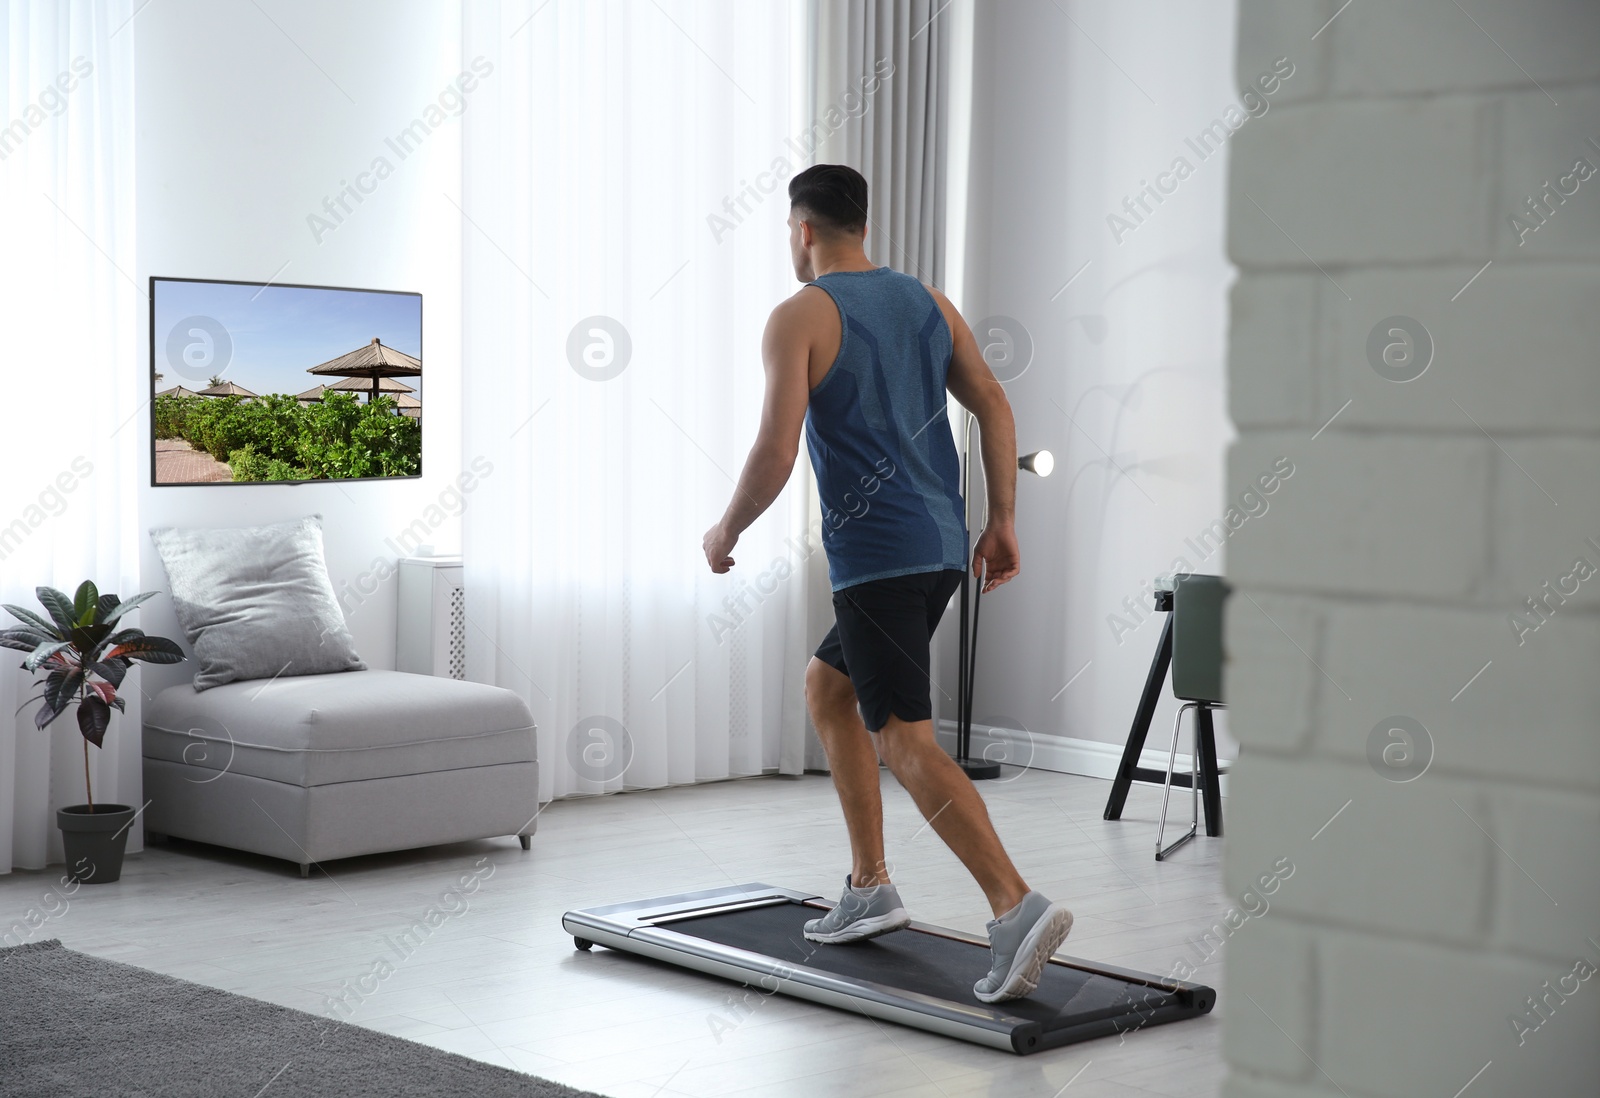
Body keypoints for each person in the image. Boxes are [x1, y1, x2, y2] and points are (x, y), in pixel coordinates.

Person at [701, 163, 1072, 1003]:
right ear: (859, 224)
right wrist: (1002, 519)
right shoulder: (928, 303)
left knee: (904, 737)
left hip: (876, 557)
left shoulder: (798, 316)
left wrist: (726, 530)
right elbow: (993, 402)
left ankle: (1015, 909)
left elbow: (776, 450)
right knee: (828, 690)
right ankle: (870, 885)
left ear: (802, 230)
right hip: (941, 549)